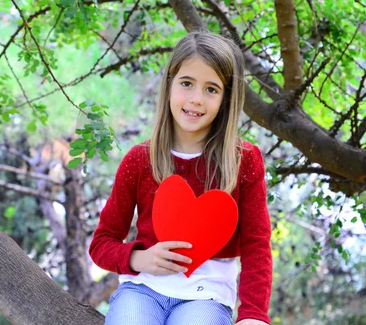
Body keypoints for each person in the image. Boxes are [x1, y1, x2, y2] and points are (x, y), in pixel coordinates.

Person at [88, 32, 272, 325]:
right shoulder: (139, 160)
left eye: (211, 89)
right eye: (187, 84)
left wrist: (253, 315)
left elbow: (256, 245)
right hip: (142, 290)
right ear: (170, 84)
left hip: (207, 298)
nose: (196, 99)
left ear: (226, 98)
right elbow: (102, 243)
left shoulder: (244, 161)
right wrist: (139, 259)